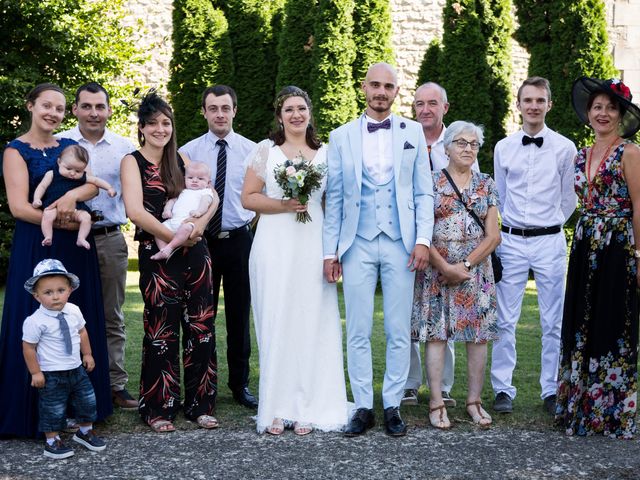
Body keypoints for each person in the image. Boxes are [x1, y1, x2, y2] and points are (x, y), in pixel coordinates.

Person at [323, 63, 434, 437]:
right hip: (357, 243)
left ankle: (392, 404)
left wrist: (422, 240)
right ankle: (362, 406)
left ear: (396, 92)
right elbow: (335, 199)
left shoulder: (413, 132)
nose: (381, 91)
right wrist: (330, 251)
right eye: (375, 84)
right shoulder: (340, 136)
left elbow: (423, 192)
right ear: (363, 87)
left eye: (388, 86)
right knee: (357, 328)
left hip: (402, 243)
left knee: (398, 328)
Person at [0, 83, 112, 438]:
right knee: (34, 320)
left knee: (78, 317)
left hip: (74, 249)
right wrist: (60, 218)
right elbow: (19, 207)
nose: (53, 113)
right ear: (31, 105)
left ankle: (84, 410)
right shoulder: (15, 151)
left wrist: (74, 196)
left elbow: (91, 185)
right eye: (46, 105)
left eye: (60, 108)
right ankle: (31, 411)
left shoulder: (69, 146)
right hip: (38, 244)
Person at [241, 85, 349, 435]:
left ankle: (307, 405)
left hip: (312, 244)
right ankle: (275, 406)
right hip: (273, 244)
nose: (296, 115)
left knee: (311, 322)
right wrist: (283, 205)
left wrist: (333, 253)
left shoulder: (327, 154)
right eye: (289, 109)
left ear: (310, 113)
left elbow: (333, 206)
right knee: (275, 319)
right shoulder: (266, 152)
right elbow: (248, 198)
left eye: (301, 108)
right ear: (279, 116)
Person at [121, 91, 219, 432]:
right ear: (142, 128)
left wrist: (199, 228)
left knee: (202, 327)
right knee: (162, 330)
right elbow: (134, 211)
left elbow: (211, 195)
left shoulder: (179, 159)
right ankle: (158, 408)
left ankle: (201, 405)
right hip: (157, 254)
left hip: (196, 253)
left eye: (166, 122)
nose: (160, 129)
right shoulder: (131, 161)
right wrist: (171, 235)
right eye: (153, 124)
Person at [556, 77, 640, 439]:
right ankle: (578, 407)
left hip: (619, 246)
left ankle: (611, 413)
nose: (602, 113)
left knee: (613, 325)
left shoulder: (631, 153)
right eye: (597, 107)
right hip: (585, 243)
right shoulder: (580, 155)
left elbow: (639, 207)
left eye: (610, 107)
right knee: (580, 324)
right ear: (588, 114)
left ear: (620, 115)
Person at [490, 77, 577, 416]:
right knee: (504, 319)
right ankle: (502, 389)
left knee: (553, 320)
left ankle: (551, 389)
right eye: (528, 100)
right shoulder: (503, 147)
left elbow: (569, 198)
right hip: (511, 240)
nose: (534, 106)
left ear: (549, 104)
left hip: (549, 240)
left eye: (540, 100)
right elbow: (500, 194)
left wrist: (549, 222)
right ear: (519, 105)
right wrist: (506, 230)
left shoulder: (565, 148)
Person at [411, 121, 500, 429]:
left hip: (476, 271)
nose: (467, 149)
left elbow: (493, 236)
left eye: (473, 144)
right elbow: (420, 229)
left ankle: (474, 402)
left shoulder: (486, 183)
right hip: (437, 268)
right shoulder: (430, 182)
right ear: (446, 147)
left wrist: (464, 267)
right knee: (436, 336)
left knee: (477, 338)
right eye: (461, 143)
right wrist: (445, 267)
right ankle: (436, 402)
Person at [57, 82, 138, 410]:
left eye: (99, 106)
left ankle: (116, 385)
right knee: (64, 314)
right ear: (75, 109)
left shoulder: (123, 147)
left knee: (111, 315)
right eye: (86, 106)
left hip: (108, 239)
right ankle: (67, 387)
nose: (93, 112)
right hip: (66, 238)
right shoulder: (60, 144)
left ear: (108, 110)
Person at [179, 85, 258, 409]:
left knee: (239, 316)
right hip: (201, 242)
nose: (220, 114)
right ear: (204, 112)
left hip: (239, 241)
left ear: (235, 110)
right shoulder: (188, 152)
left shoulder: (253, 151)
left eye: (225, 108)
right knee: (199, 316)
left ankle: (240, 385)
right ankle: (200, 383)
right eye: (213, 108)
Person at [403, 82, 480, 408]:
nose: (425, 109)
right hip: (411, 240)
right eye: (419, 104)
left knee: (443, 316)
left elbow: (473, 197)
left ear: (444, 108)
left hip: (449, 247)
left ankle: (444, 387)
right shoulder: (405, 139)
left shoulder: (462, 141)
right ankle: (409, 384)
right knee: (406, 312)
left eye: (432, 103)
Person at [22, 259, 107, 459]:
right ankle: (52, 441)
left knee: (87, 401)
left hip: (76, 369)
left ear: (69, 290)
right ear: (36, 296)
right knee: (52, 407)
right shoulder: (35, 321)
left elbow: (82, 332)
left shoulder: (74, 310)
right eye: (48, 292)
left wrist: (87, 354)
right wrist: (35, 372)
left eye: (61, 290)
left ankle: (84, 431)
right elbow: (28, 347)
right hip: (51, 374)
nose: (55, 297)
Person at [32, 144, 116, 249]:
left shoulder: (81, 177)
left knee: (86, 217)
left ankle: (81, 238)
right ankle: (48, 236)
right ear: (59, 162)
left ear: (83, 169)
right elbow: (42, 187)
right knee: (47, 215)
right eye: (68, 168)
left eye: (78, 171)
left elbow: (95, 181)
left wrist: (109, 188)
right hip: (53, 206)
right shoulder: (52, 174)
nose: (72, 173)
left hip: (76, 208)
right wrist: (37, 199)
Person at [151, 162, 215, 260]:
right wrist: (167, 210)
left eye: (200, 179)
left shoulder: (205, 192)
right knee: (158, 229)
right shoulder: (183, 191)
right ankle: (163, 250)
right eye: (190, 178)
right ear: (184, 178)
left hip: (189, 222)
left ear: (208, 183)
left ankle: (170, 247)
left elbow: (205, 204)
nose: (194, 180)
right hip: (173, 221)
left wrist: (199, 211)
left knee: (186, 228)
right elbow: (172, 201)